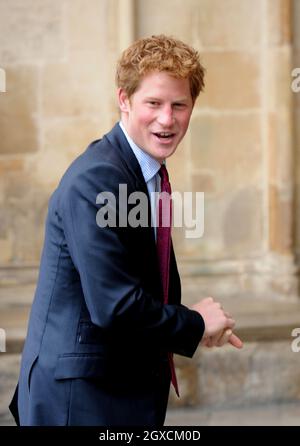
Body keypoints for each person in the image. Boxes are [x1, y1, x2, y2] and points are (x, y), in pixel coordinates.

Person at [9, 34, 242, 426]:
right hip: (81, 401)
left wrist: (193, 325)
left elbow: (138, 284)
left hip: (117, 392)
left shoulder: (147, 171)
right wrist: (195, 323)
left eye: (179, 105)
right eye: (153, 103)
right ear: (124, 99)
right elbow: (114, 306)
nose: (167, 119)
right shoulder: (98, 178)